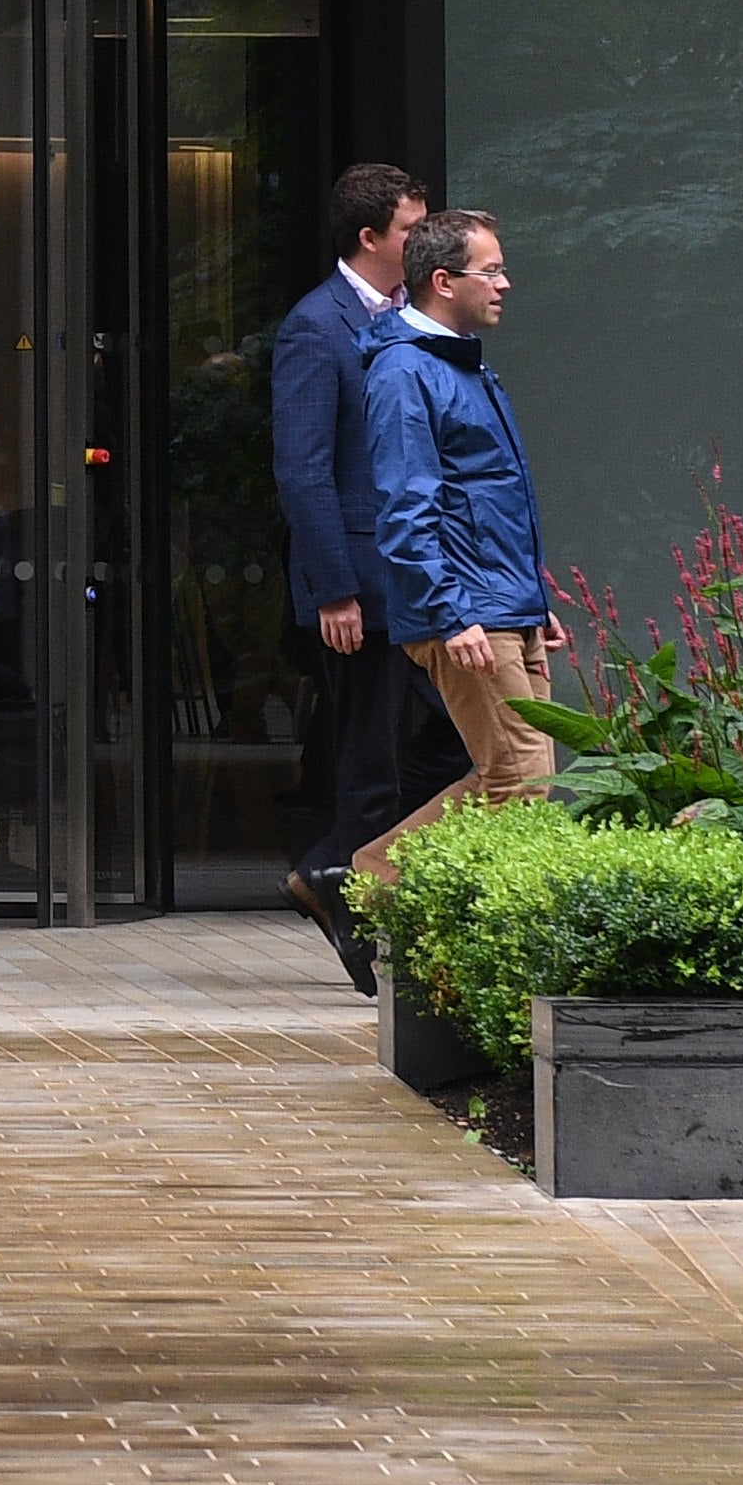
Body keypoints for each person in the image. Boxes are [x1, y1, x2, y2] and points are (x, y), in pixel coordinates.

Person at [271, 160, 459, 987]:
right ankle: (355, 909)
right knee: (370, 755)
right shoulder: (318, 326)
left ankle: (333, 867)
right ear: (370, 237)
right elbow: (303, 468)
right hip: (361, 581)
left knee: (456, 740)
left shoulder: (409, 319)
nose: (423, 241)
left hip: (415, 578)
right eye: (413, 229)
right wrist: (333, 588)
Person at [350, 209, 561, 894]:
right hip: (468, 611)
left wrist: (534, 601)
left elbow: (490, 502)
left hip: (502, 605)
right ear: (444, 280)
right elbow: (408, 509)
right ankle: (384, 883)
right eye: (491, 270)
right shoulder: (406, 372)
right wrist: (449, 612)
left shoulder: (458, 364)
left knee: (516, 774)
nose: (506, 283)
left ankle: (374, 874)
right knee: (523, 778)